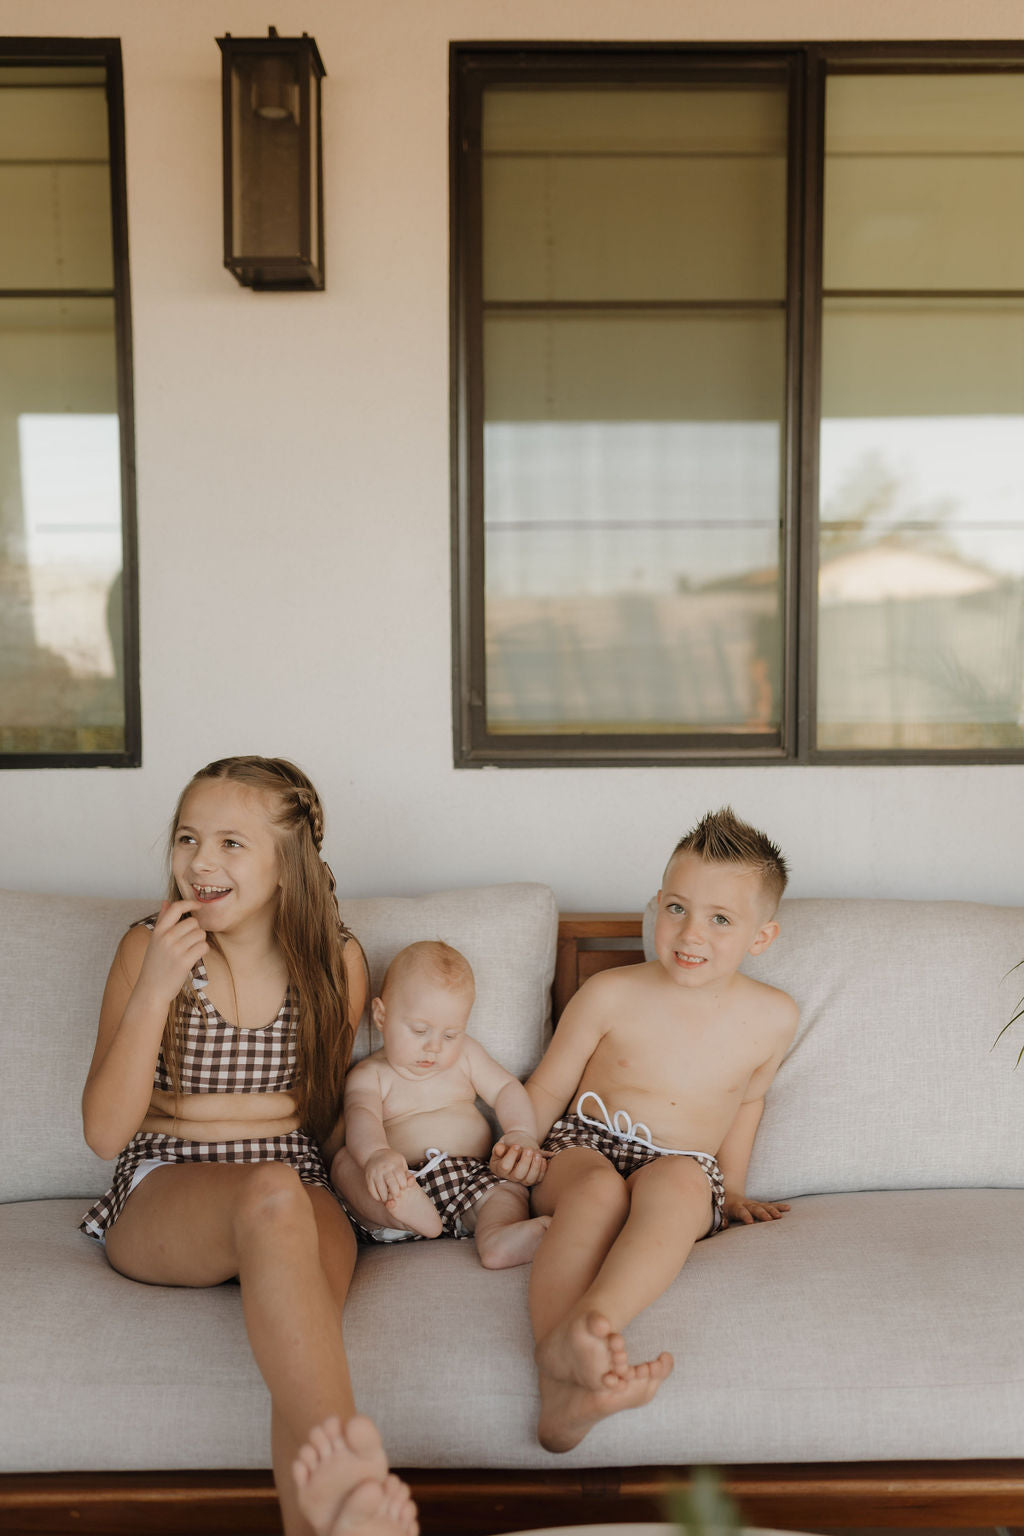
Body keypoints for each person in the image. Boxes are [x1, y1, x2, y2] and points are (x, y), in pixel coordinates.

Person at [80, 756, 417, 1536]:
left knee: (301, 1332)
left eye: (232, 843)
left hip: (296, 1188)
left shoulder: (337, 962)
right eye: (188, 838)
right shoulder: (147, 948)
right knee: (271, 1193)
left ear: (286, 868)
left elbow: (327, 1122)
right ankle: (348, 1477)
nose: (200, 860)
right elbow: (103, 1133)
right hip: (167, 1186)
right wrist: (158, 984)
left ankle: (331, 1517)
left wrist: (394, 1170)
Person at [498, 806, 798, 1454]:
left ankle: (589, 1327)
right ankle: (562, 1371)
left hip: (682, 1159)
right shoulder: (610, 992)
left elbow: (747, 1104)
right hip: (586, 1146)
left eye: (721, 919)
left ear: (760, 937)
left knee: (685, 1185)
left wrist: (736, 1187)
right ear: (656, 904)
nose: (692, 933)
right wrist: (520, 1139)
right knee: (596, 1193)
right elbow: (549, 1087)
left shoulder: (773, 1019)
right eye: (678, 909)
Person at [331, 940, 549, 1268]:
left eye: (450, 1035)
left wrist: (520, 1133)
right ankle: (405, 1215)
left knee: (505, 1190)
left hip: (471, 1179)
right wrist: (377, 1155)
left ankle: (498, 1238)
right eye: (420, 1030)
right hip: (399, 1180)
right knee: (345, 1164)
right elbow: (362, 1117)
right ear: (380, 1016)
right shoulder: (369, 1075)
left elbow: (506, 1088)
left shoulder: (467, 1056)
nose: (434, 1047)